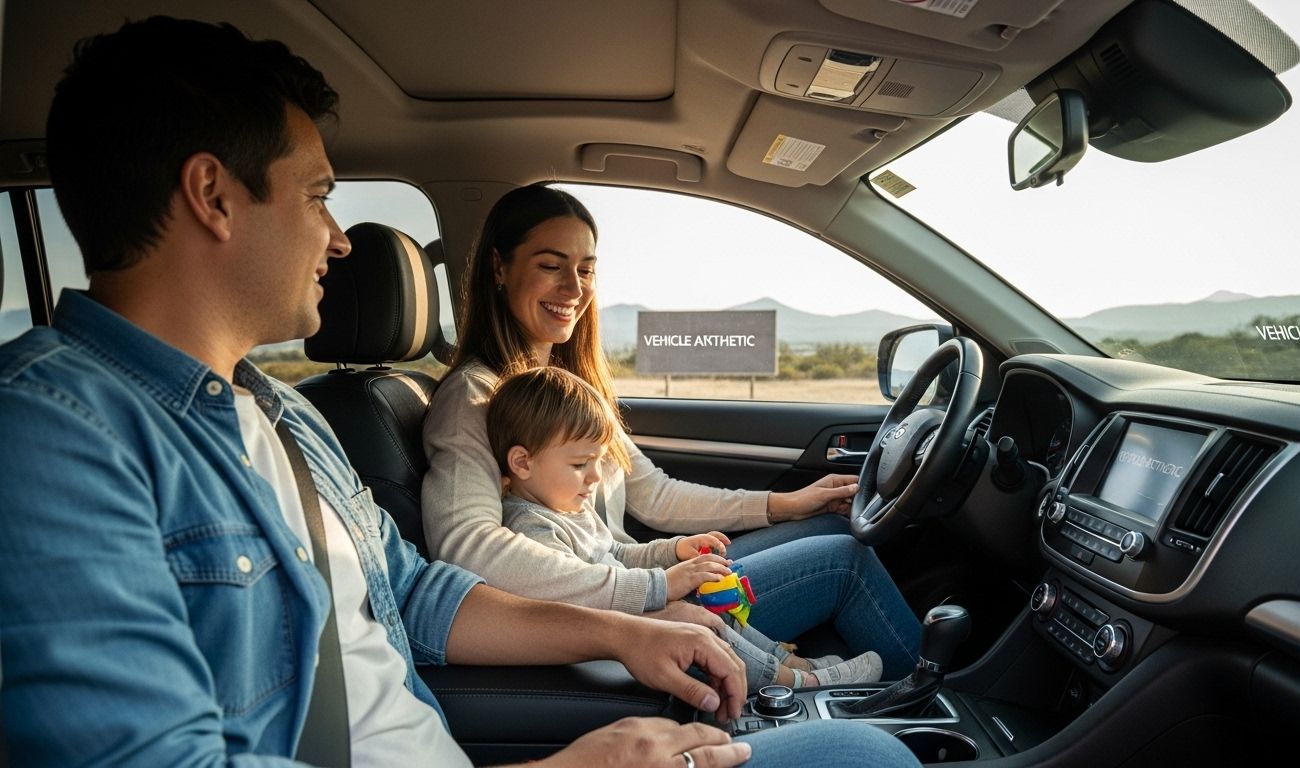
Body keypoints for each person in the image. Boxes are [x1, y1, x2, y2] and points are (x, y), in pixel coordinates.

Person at [0, 16, 924, 768]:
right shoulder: (54, 434)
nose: (340, 238)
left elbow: (422, 595)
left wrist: (622, 631)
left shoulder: (286, 418)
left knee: (870, 753)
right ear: (213, 194)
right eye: (317, 195)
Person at [422, 184, 923, 679]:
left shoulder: (569, 392)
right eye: (551, 266)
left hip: (627, 576)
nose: (574, 289)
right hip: (609, 603)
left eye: (586, 270)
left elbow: (655, 496)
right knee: (846, 559)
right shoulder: (474, 400)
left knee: (832, 528)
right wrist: (651, 588)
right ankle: (930, 696)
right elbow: (468, 546)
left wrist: (784, 504)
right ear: (499, 269)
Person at [488, 366, 886, 691]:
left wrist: (674, 550)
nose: (595, 477)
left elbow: (620, 554)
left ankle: (787, 659)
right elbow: (578, 591)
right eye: (579, 465)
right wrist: (664, 583)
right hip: (606, 632)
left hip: (629, 603)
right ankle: (797, 680)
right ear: (522, 463)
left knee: (713, 587)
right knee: (704, 619)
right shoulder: (532, 528)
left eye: (597, 461)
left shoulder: (570, 507)